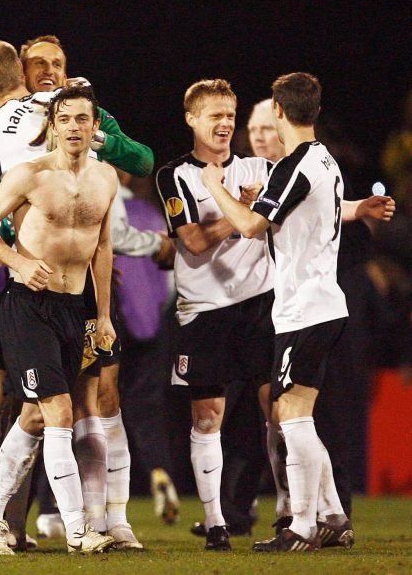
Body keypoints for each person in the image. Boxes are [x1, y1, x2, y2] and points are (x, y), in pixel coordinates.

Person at [0, 37, 155, 551]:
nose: (50, 71)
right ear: (21, 74)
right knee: (28, 404)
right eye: (40, 64)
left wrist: (100, 139)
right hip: (11, 292)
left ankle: (0, 515)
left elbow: (141, 161)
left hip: (80, 300)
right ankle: (76, 529)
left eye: (59, 64)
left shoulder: (94, 140)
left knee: (47, 410)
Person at [201, 72, 393, 552]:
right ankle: (331, 514)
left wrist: (213, 185)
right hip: (322, 305)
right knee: (295, 414)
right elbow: (305, 209)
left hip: (304, 310)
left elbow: (247, 226)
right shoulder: (324, 159)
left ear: (281, 113)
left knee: (291, 416)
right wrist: (360, 208)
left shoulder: (294, 166)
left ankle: (303, 526)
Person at [0, 85, 117, 555]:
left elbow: (104, 247)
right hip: (29, 307)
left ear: (96, 127)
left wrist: (105, 314)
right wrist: (18, 262)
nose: (73, 127)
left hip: (75, 308)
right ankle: (79, 530)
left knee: (34, 416)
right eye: (65, 118)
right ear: (52, 125)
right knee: (60, 412)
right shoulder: (28, 175)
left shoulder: (106, 178)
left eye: (82, 119)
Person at [155, 79, 275, 551]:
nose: (224, 124)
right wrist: (242, 208)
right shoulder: (175, 176)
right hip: (205, 311)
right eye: (214, 116)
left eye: (230, 115)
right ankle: (217, 523)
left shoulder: (260, 167)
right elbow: (195, 241)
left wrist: (356, 209)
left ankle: (294, 512)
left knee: (282, 414)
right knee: (208, 419)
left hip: (260, 305)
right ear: (192, 119)